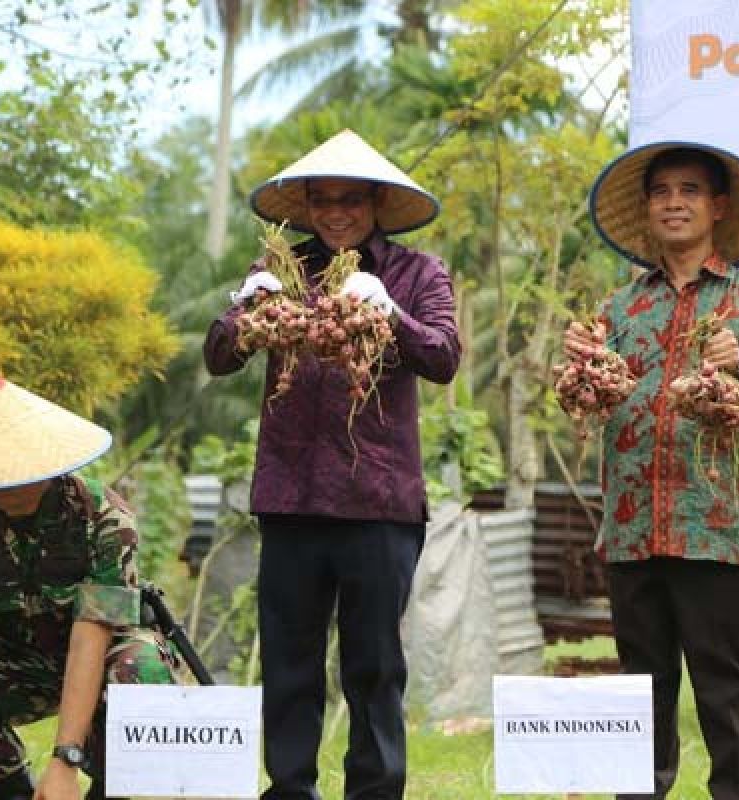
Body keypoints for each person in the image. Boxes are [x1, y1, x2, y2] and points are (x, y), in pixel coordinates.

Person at [203, 128, 460, 800]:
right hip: (289, 498)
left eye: (351, 200)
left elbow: (443, 357)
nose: (337, 213)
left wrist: (391, 312)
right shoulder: (283, 271)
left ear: (376, 202)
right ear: (308, 206)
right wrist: (243, 310)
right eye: (323, 201)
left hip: (379, 501)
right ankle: (289, 789)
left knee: (374, 665)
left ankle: (373, 793)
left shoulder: (417, 272)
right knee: (290, 664)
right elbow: (219, 357)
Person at [569, 143, 739, 799]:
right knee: (638, 689)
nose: (674, 203)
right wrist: (583, 362)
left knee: (726, 688)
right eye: (661, 192)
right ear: (647, 210)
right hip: (632, 525)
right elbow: (591, 398)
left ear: (719, 207)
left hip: (718, 525)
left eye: (690, 190)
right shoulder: (619, 308)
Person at [0, 377, 178, 800]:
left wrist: (65, 761)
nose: (7, 486)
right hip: (16, 661)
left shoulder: (105, 518)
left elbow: (90, 638)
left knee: (142, 669)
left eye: (19, 473)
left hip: (100, 652)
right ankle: (13, 789)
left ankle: (106, 789)